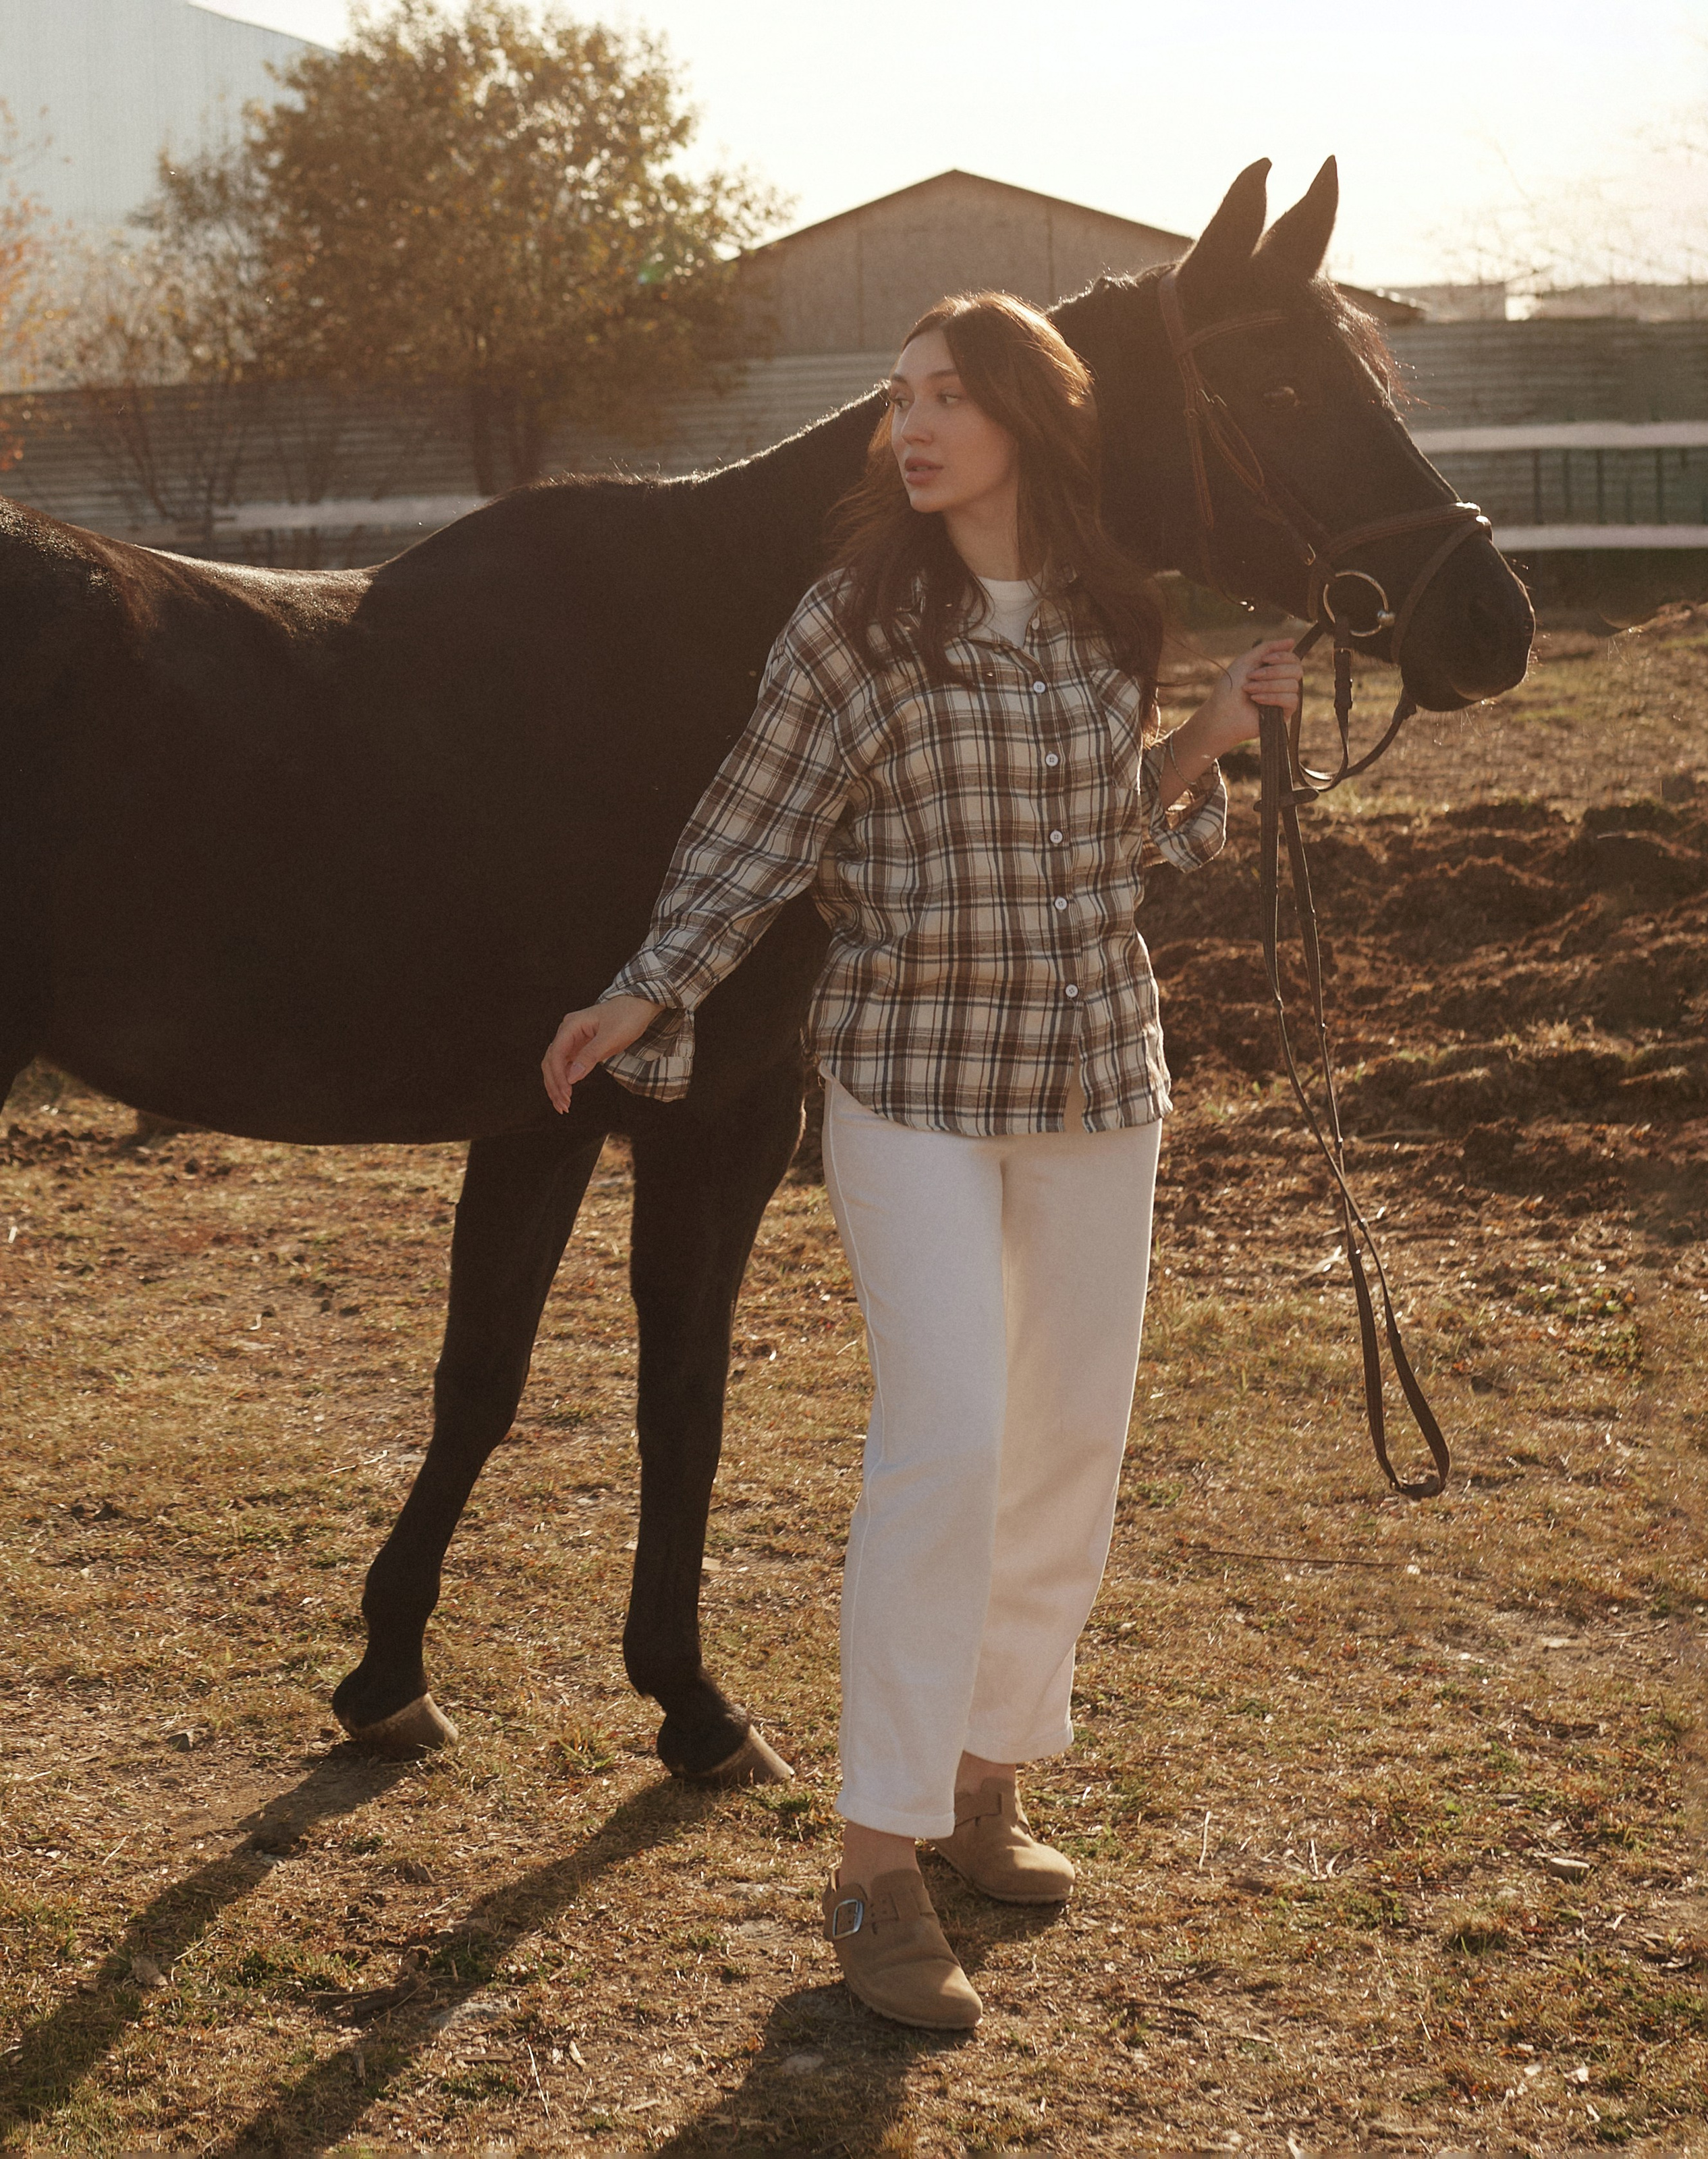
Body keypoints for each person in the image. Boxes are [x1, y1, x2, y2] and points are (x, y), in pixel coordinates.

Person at [542, 291, 1300, 2031]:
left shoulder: (1113, 614)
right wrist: (647, 985)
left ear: (1034, 414)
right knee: (948, 1436)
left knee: (1068, 1440)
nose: (914, 428)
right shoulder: (853, 623)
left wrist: (1208, 739)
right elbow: (751, 833)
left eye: (949, 395)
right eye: (900, 399)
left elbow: (1111, 839)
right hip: (912, 1079)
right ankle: (875, 1860)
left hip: (1098, 1073)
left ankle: (983, 1778)